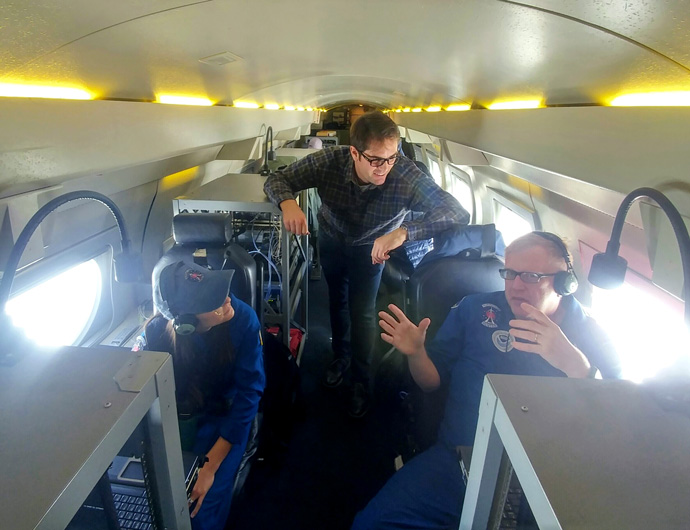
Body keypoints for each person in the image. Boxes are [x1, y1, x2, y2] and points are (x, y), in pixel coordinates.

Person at [352, 231, 622, 529]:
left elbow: (616, 425)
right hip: (458, 463)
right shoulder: (474, 310)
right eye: (510, 274)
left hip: (545, 484)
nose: (516, 286)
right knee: (371, 524)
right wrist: (416, 353)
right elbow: (431, 383)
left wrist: (577, 366)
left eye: (531, 276)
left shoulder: (592, 336)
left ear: (564, 283)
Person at [263, 110, 468, 418]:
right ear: (354, 152)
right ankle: (340, 358)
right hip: (332, 240)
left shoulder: (404, 173)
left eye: (391, 158)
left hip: (373, 249)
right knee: (337, 302)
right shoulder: (330, 161)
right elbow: (278, 179)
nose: (384, 168)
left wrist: (404, 232)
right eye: (375, 160)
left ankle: (361, 381)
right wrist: (288, 202)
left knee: (363, 312)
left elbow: (455, 211)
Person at [135, 260, 265, 530]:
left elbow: (249, 392)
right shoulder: (156, 333)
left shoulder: (242, 319)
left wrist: (209, 467)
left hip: (226, 418)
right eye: (212, 299)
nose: (226, 297)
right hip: (181, 415)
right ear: (186, 325)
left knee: (198, 510)